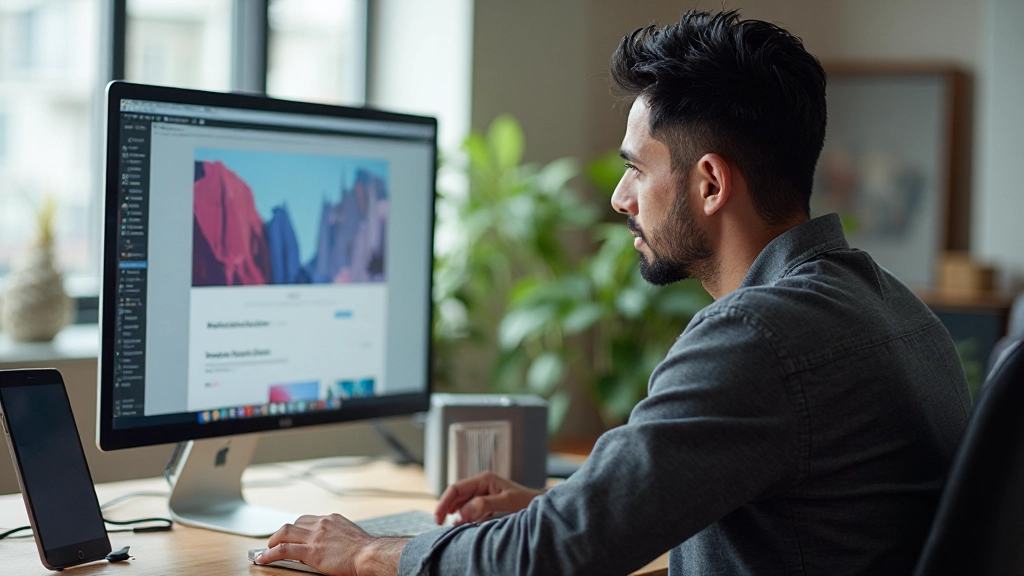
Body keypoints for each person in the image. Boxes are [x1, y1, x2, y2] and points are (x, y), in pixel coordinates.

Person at [254, 10, 970, 576]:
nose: (621, 197)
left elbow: (558, 556)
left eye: (636, 168)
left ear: (711, 183)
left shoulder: (760, 338)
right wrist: (564, 505)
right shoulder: (892, 306)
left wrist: (366, 551)